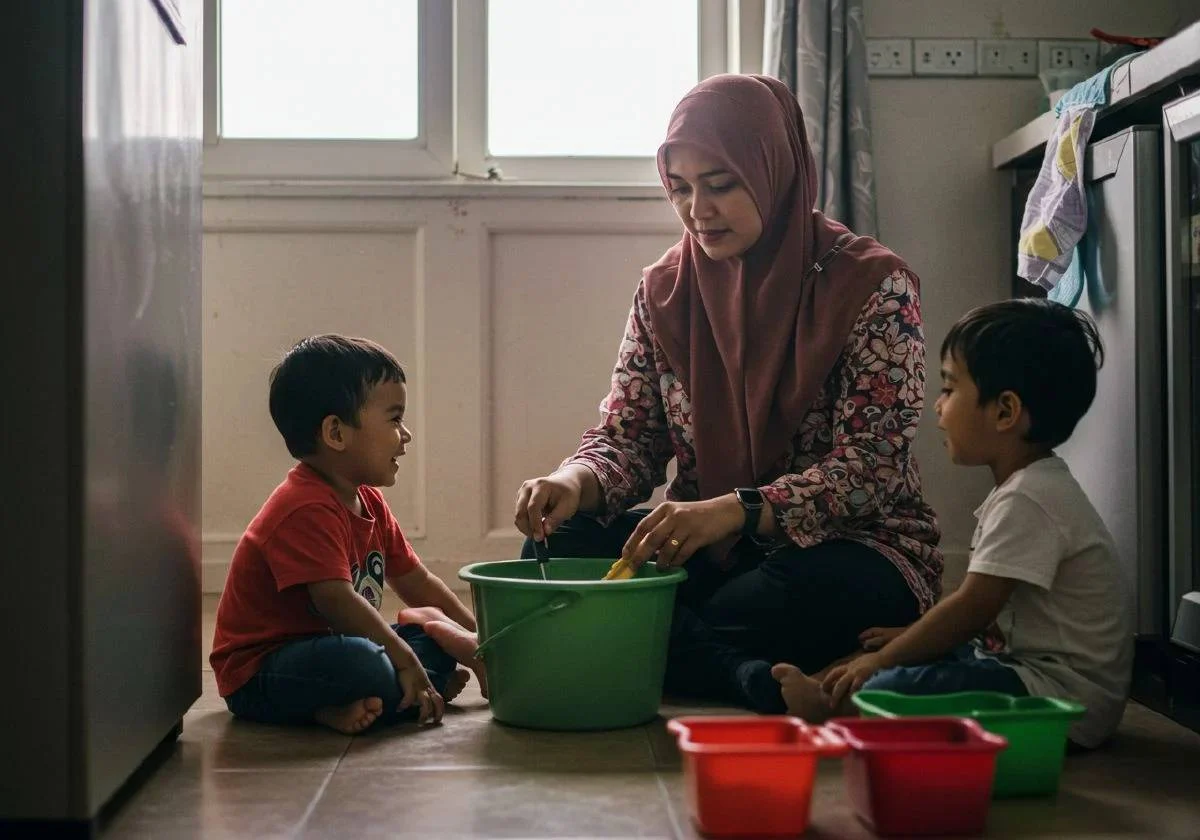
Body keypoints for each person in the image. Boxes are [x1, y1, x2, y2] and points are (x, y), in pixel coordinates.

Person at [512, 74, 942, 713]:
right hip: (707, 549)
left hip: (851, 547)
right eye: (680, 189)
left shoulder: (872, 285)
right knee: (555, 550)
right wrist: (572, 483)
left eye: (720, 185)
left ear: (773, 170)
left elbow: (871, 469)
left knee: (761, 601)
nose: (697, 210)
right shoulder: (666, 290)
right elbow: (628, 439)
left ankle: (666, 650)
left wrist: (737, 510)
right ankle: (753, 677)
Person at [777, 299, 1133, 749]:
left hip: (1058, 697)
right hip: (1025, 667)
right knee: (899, 655)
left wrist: (887, 659)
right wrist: (904, 642)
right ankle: (830, 688)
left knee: (897, 684)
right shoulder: (1030, 488)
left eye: (949, 389)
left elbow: (972, 610)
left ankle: (836, 708)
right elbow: (990, 618)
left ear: (1005, 412)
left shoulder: (1028, 499)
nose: (937, 407)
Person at [210, 335, 484, 734]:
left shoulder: (368, 501)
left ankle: (397, 692)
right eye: (394, 419)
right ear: (336, 433)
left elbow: (416, 580)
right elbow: (336, 602)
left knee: (428, 635)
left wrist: (480, 638)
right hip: (263, 671)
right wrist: (406, 661)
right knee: (367, 663)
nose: (405, 434)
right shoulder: (303, 507)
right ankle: (351, 700)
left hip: (330, 648)